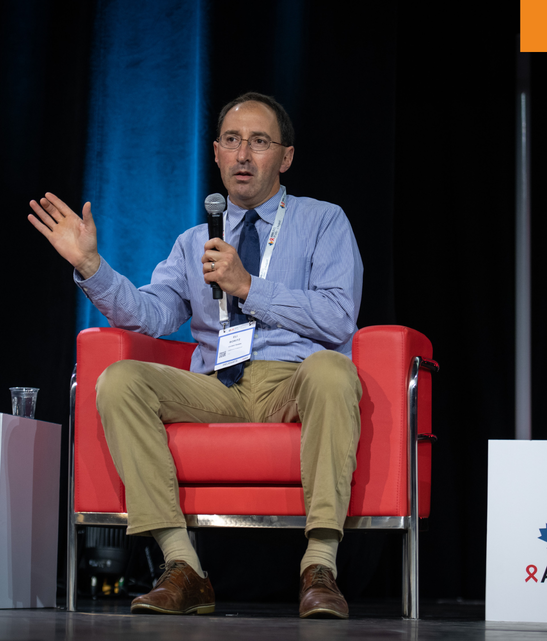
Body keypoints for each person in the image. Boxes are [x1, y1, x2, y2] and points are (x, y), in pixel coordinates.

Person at [28, 92, 364, 618]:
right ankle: (183, 567)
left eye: (259, 142)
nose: (244, 155)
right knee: (119, 380)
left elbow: (338, 317)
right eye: (232, 141)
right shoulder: (193, 241)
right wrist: (93, 267)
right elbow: (153, 315)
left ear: (286, 156)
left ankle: (319, 567)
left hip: (294, 381)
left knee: (332, 370)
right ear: (215, 152)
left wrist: (248, 285)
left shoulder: (324, 222)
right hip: (219, 384)